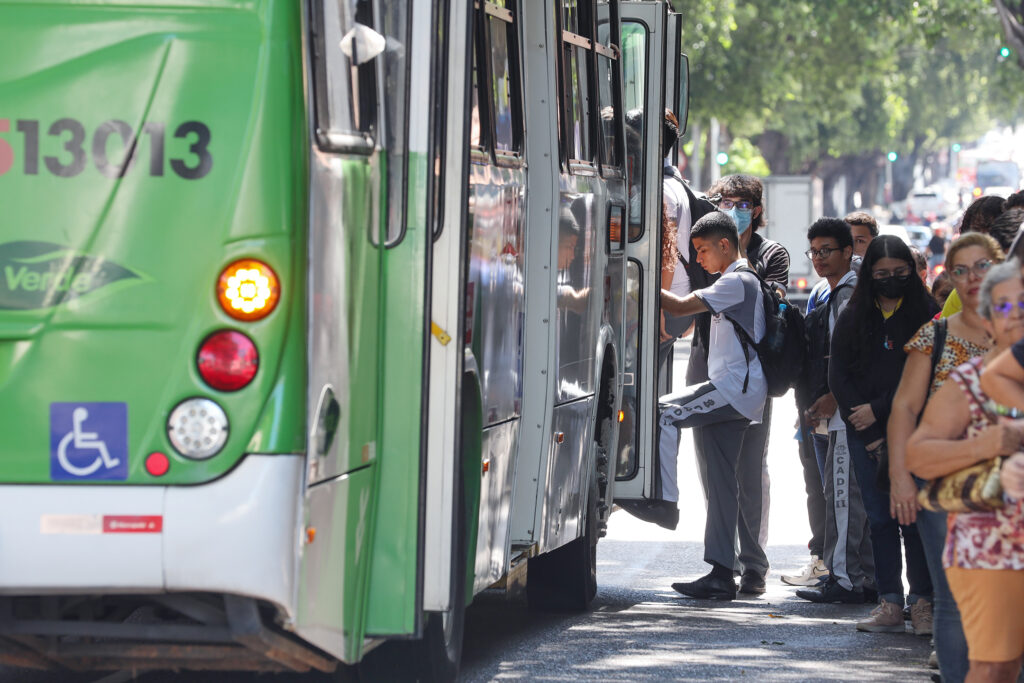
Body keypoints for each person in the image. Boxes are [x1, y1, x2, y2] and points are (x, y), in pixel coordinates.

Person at [887, 233, 1003, 678]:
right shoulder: (935, 335)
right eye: (960, 270)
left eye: (981, 267)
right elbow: (904, 408)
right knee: (954, 599)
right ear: (949, 278)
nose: (972, 278)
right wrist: (900, 476)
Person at [909, 260, 1024, 683]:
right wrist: (986, 444)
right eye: (1006, 307)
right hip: (990, 547)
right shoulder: (971, 382)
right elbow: (919, 455)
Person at [828, 235, 938, 631]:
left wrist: (879, 408)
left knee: (914, 519)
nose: (891, 281)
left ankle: (922, 601)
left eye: (900, 274)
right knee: (879, 518)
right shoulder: (854, 314)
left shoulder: (928, 313)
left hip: (915, 432)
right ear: (869, 275)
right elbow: (838, 374)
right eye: (882, 274)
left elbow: (926, 378)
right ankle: (889, 602)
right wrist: (868, 425)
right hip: (864, 433)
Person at [660, 211, 767, 601]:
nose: (700, 260)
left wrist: (632, 275)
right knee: (724, 486)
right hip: (735, 390)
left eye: (703, 250)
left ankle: (662, 501)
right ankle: (722, 573)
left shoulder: (737, 281)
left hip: (732, 390)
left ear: (725, 244)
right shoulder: (736, 279)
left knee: (663, 414)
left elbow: (680, 306)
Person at [703, 174, 789, 595]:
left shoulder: (769, 254)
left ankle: (753, 563)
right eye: (722, 201)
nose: (730, 209)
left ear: (755, 209)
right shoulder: (706, 245)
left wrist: (731, 255)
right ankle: (723, 560)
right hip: (709, 362)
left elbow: (766, 297)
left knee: (750, 467)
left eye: (739, 203)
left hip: (750, 372)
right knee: (714, 467)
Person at [790, 218, 873, 595]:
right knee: (849, 498)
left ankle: (845, 578)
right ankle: (864, 577)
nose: (820, 259)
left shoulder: (848, 293)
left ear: (847, 252)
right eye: (814, 251)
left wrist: (832, 398)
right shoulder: (834, 291)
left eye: (827, 251)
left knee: (842, 498)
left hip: (846, 415)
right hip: (845, 411)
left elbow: (849, 357)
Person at [806, 211, 878, 315]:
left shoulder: (875, 289)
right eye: (814, 252)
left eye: (859, 241)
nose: (818, 257)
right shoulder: (819, 291)